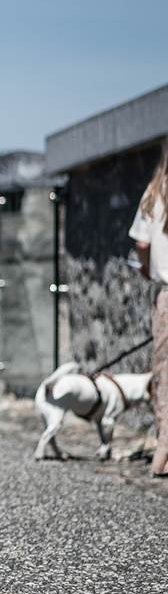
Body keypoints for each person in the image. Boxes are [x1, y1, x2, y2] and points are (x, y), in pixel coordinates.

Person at [130, 138, 168, 476]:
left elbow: (141, 243)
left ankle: (164, 451)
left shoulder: (155, 193)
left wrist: (145, 267)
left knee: (165, 372)